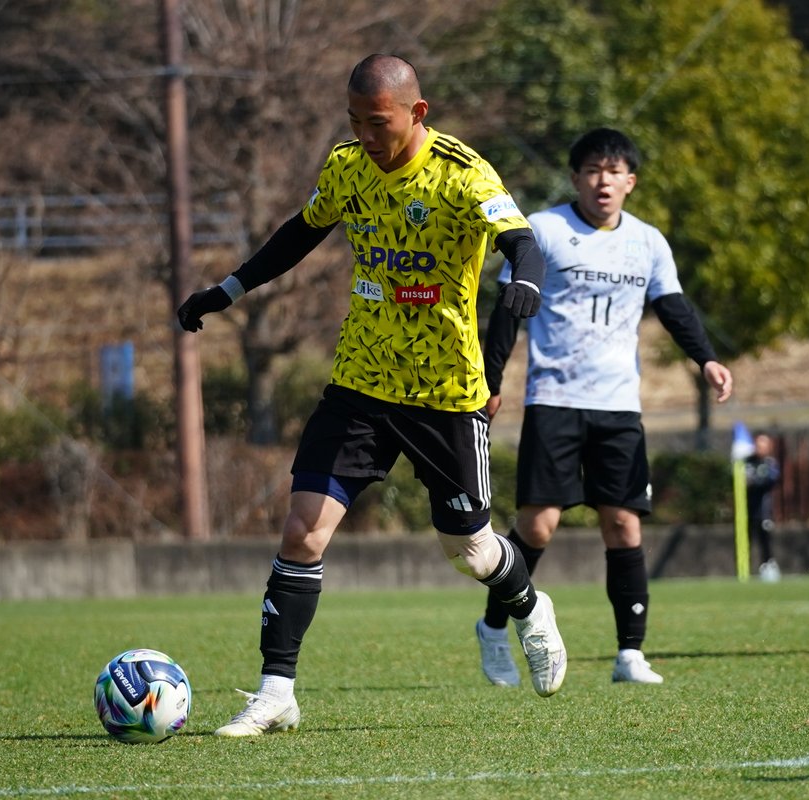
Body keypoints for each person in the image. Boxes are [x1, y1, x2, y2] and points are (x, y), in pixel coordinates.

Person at [177, 54, 567, 735]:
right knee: (302, 531)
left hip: (445, 394)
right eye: (354, 120)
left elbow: (521, 241)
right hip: (360, 382)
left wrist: (524, 282)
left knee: (470, 552)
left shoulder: (462, 171)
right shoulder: (347, 165)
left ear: (417, 112)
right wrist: (228, 289)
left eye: (377, 122)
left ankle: (531, 606)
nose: (364, 134)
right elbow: (302, 231)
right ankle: (277, 692)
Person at [475, 127, 733, 686]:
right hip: (555, 400)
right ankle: (495, 626)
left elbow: (674, 307)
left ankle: (629, 654)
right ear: (576, 178)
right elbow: (507, 312)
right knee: (537, 526)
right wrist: (491, 379)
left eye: (614, 172)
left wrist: (706, 359)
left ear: (630, 182)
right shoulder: (541, 231)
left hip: (618, 406)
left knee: (623, 525)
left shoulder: (648, 242)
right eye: (593, 170)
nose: (603, 182)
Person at [745, 432, 781, 582]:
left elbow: (771, 480)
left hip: (764, 510)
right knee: (745, 540)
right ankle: (744, 569)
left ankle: (768, 566)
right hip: (747, 510)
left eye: (763, 445)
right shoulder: (747, 462)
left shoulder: (770, 463)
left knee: (765, 540)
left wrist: (753, 481)